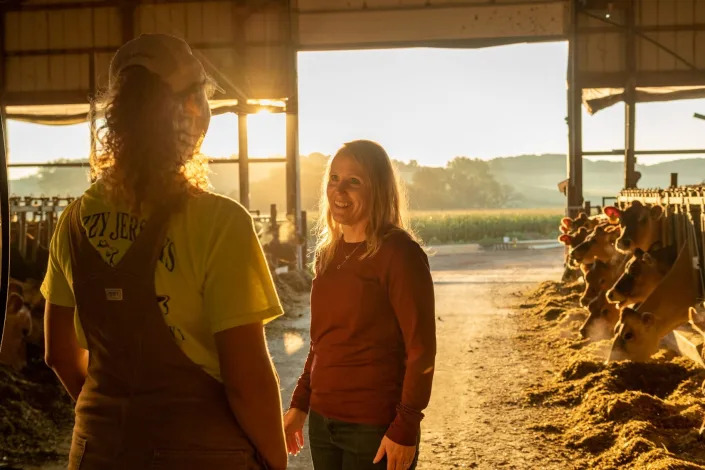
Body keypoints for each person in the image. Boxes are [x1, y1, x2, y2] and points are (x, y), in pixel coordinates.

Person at [41, 34, 287, 470]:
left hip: (97, 451)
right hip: (199, 454)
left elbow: (58, 353)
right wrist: (275, 461)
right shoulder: (219, 223)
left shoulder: (74, 220)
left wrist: (121, 420)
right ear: (191, 109)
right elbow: (247, 381)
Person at [283, 140, 436, 470]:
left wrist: (406, 425)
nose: (339, 190)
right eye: (334, 178)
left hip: (375, 429)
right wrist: (300, 404)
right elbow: (321, 342)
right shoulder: (328, 254)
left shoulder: (399, 253)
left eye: (354, 181)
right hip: (323, 425)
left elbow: (421, 349)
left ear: (378, 188)